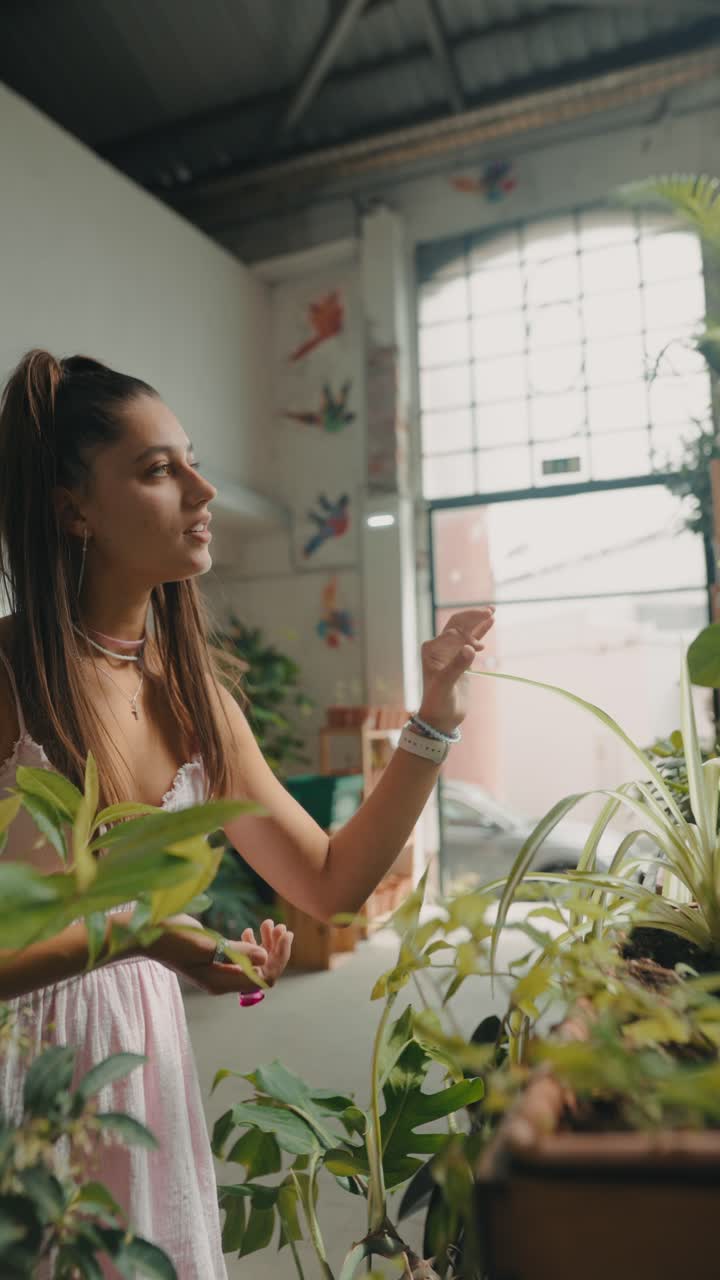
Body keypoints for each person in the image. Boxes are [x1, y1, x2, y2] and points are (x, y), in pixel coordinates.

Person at [0, 349, 496, 1278]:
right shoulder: (9, 680)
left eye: (190, 459)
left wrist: (434, 719)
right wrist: (147, 937)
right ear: (72, 509)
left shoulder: (194, 700)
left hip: (139, 1062)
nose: (203, 487)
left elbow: (332, 881)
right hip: (21, 1062)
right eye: (158, 469)